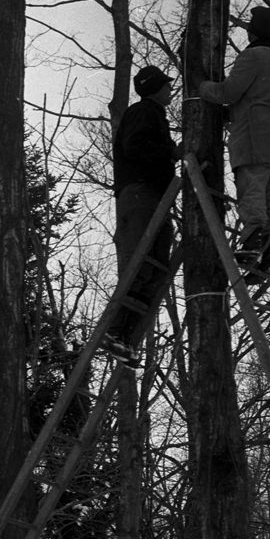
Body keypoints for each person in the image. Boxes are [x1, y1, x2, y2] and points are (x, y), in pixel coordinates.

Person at [197, 2, 270, 278]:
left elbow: (229, 91)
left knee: (252, 187)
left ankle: (252, 242)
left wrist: (202, 88)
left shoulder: (253, 57)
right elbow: (255, 94)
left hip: (254, 134)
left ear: (253, 31)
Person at [105, 65, 177, 366]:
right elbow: (135, 147)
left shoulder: (153, 114)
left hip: (152, 195)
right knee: (140, 261)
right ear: (155, 88)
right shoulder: (143, 112)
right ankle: (115, 330)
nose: (170, 90)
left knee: (156, 265)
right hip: (140, 193)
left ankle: (126, 335)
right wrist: (170, 153)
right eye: (166, 86)